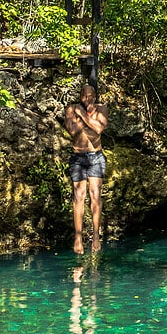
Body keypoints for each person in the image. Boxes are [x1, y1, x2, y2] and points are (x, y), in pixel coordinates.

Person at [63, 84, 108, 254]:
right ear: (80, 96)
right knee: (79, 196)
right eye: (85, 95)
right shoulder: (70, 109)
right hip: (78, 157)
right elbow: (73, 131)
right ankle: (78, 237)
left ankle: (96, 236)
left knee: (95, 195)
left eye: (91, 95)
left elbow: (98, 129)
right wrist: (87, 120)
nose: (88, 98)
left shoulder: (102, 108)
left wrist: (81, 116)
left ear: (95, 96)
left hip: (96, 156)